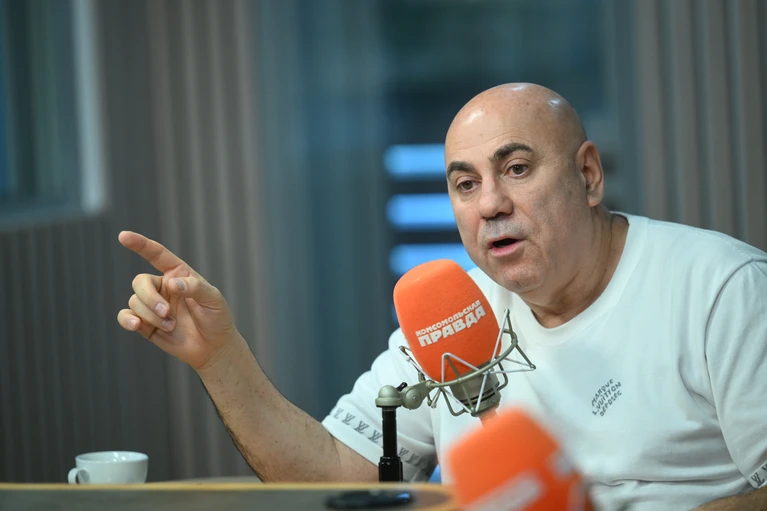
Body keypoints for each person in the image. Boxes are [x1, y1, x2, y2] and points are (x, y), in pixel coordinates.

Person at [117, 83, 767, 510]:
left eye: (516, 169)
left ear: (588, 174)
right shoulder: (453, 313)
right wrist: (220, 358)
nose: (490, 204)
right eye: (465, 184)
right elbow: (338, 473)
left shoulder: (722, 288)